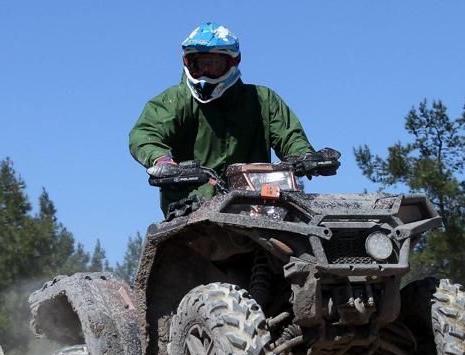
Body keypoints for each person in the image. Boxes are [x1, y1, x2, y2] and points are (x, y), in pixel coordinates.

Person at [128, 22, 332, 214]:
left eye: (214, 65)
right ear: (186, 63)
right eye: (199, 65)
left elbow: (290, 137)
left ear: (233, 62)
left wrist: (304, 156)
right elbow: (145, 134)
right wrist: (163, 161)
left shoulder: (262, 100)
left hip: (259, 203)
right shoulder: (174, 100)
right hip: (191, 206)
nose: (205, 74)